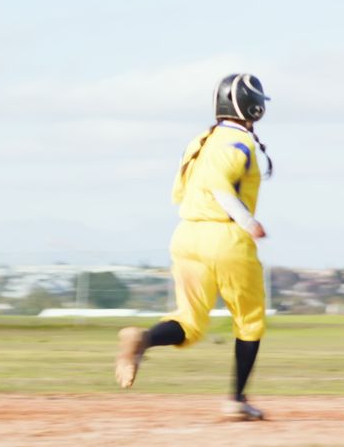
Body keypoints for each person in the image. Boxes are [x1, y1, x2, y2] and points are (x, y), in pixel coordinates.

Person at [115, 73, 274, 421]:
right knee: (249, 321)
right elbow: (220, 185)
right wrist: (248, 222)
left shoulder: (200, 140)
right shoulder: (239, 143)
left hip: (187, 234)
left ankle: (143, 339)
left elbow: (184, 189)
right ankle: (237, 400)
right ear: (252, 106)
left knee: (190, 321)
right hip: (225, 236)